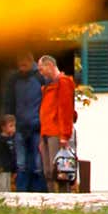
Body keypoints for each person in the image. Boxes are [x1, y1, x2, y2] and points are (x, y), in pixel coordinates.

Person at [5, 52, 46, 192]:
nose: (21, 67)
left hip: (37, 126)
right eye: (19, 64)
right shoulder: (15, 79)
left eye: (24, 63)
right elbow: (10, 101)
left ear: (30, 62)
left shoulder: (40, 78)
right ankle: (22, 192)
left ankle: (38, 191)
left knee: (36, 162)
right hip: (20, 126)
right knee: (21, 162)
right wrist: (11, 121)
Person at [38, 54, 76, 193]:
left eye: (42, 69)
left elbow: (65, 110)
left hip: (56, 132)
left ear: (50, 66)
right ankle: (51, 200)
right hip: (46, 132)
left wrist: (64, 135)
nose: (41, 73)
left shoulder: (63, 82)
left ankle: (63, 200)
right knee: (48, 171)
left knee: (60, 170)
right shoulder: (49, 86)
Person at [0, 114, 17, 192]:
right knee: (0, 188)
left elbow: (13, 155)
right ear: (3, 127)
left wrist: (14, 169)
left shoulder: (12, 140)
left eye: (14, 126)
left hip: (8, 170)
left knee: (7, 189)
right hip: (0, 170)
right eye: (11, 126)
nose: (13, 128)